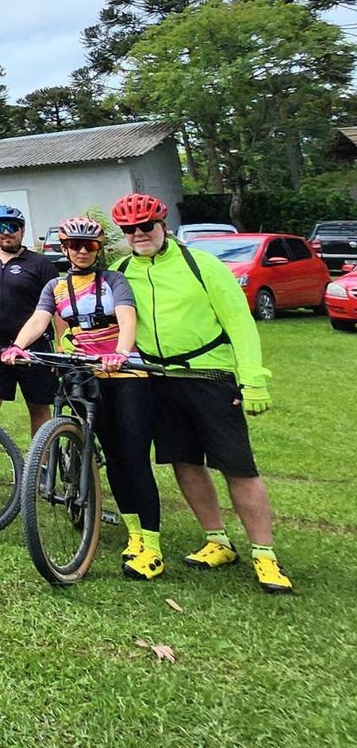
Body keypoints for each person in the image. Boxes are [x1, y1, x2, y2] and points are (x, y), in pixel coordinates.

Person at [109, 192, 291, 593]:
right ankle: (217, 540)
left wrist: (253, 377)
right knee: (184, 463)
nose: (139, 234)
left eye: (146, 226)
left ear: (163, 226)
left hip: (210, 376)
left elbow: (239, 322)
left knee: (238, 467)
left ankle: (265, 554)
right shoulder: (120, 270)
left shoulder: (201, 264)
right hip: (156, 378)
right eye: (129, 229)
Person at [2, 215, 161, 579]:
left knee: (132, 456)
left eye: (89, 245)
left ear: (98, 248)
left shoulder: (114, 281)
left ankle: (151, 544)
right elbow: (39, 319)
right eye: (75, 245)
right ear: (65, 248)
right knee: (112, 458)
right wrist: (17, 347)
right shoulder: (56, 287)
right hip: (83, 371)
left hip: (125, 373)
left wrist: (121, 352)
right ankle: (133, 533)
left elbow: (127, 317)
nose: (82, 251)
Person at [0, 204, 60, 482]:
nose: (6, 233)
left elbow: (56, 306)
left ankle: (41, 468)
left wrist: (60, 347)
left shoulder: (41, 264)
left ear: (22, 230)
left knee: (38, 406)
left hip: (36, 346)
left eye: (12, 227)